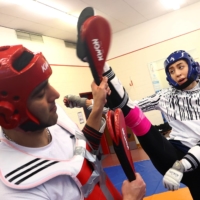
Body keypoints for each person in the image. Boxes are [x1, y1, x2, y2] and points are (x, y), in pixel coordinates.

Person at [0, 44, 146, 200]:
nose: (55, 94)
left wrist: (98, 106)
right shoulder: (16, 192)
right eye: (40, 93)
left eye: (48, 83)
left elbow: (83, 151)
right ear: (9, 114)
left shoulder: (55, 117)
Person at [88, 51, 200, 200]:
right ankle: (101, 63)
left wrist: (182, 165)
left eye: (180, 67)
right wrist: (92, 104)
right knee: (132, 114)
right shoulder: (164, 96)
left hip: (193, 159)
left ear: (191, 65)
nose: (177, 74)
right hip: (174, 155)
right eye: (171, 71)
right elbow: (128, 107)